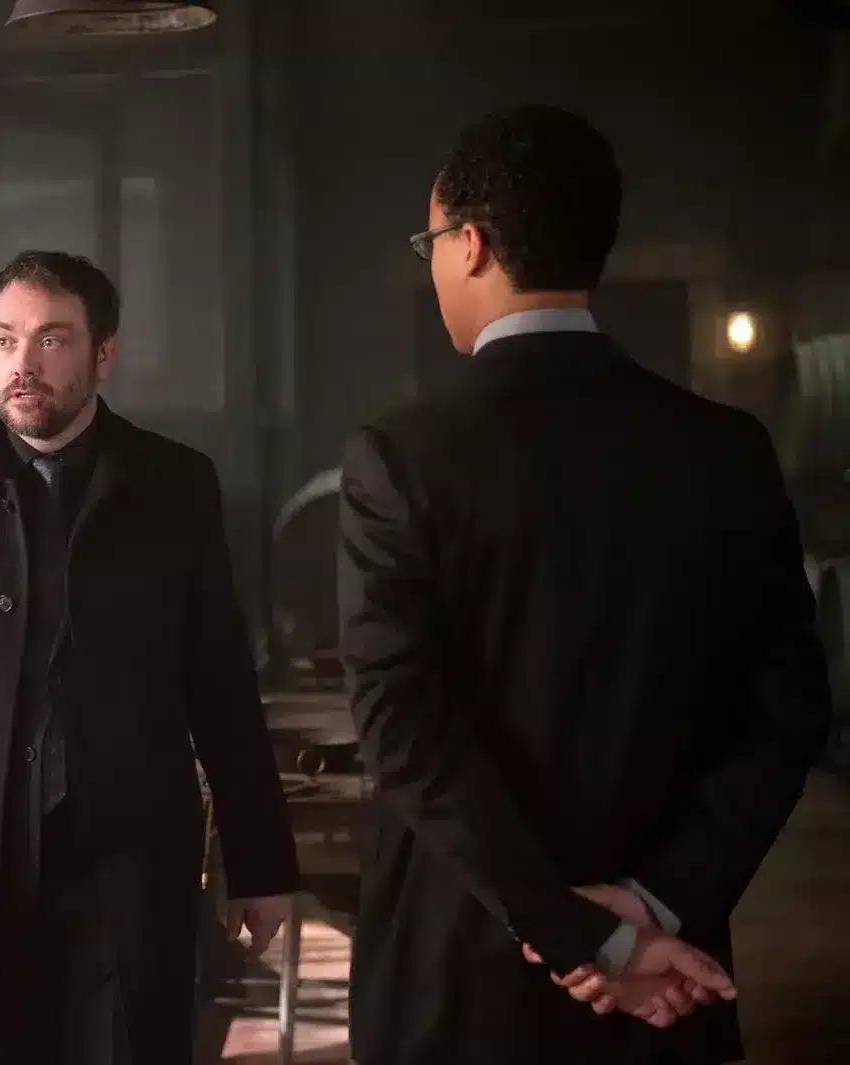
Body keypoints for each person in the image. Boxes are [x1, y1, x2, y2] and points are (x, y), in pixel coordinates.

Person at [336, 106, 832, 1065]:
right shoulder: (727, 451)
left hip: (457, 981)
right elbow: (788, 711)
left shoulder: (401, 458)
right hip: (670, 986)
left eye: (431, 244)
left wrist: (582, 934)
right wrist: (652, 908)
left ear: (472, 245)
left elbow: (402, 733)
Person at [0, 250, 299, 1065]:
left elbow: (222, 686)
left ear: (103, 354)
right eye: (4, 339)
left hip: (127, 864)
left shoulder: (174, 485)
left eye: (51, 339)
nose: (23, 363)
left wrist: (260, 861)